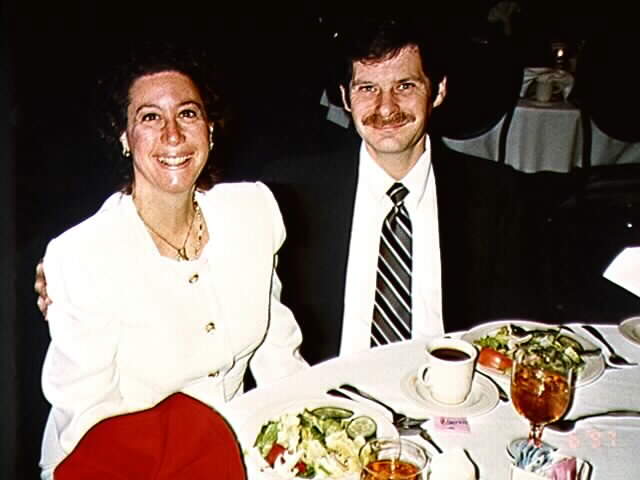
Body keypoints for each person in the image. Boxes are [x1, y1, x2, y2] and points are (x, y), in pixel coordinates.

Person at [37, 43, 307, 479]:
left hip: (239, 445)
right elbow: (88, 421)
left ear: (210, 129)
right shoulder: (83, 256)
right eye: (150, 117)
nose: (173, 135)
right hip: (124, 460)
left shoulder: (253, 212)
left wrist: (309, 438)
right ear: (124, 138)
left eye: (187, 113)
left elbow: (279, 357)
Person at [260, 17, 527, 364]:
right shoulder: (290, 193)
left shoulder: (494, 195)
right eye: (367, 88)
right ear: (345, 98)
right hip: (329, 389)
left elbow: (508, 332)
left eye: (405, 86)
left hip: (448, 388)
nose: (386, 107)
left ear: (438, 91)